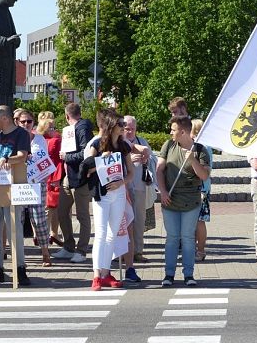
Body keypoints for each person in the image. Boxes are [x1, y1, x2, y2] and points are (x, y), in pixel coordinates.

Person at [157, 115, 210, 287]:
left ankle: (189, 274)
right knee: (172, 238)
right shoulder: (168, 145)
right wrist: (163, 191)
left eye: (173, 130)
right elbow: (159, 170)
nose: (170, 132)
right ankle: (169, 274)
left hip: (191, 202)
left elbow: (204, 175)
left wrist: (193, 159)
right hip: (170, 200)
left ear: (183, 131)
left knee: (187, 238)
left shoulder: (200, 150)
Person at [85, 109, 134, 290]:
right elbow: (86, 169)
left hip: (119, 192)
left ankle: (106, 272)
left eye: (124, 124)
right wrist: (99, 160)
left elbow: (131, 172)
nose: (123, 127)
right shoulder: (97, 144)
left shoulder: (124, 146)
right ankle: (96, 275)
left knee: (112, 234)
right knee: (101, 233)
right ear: (111, 126)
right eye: (120, 124)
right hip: (102, 193)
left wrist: (122, 182)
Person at [0, 105, 31, 286]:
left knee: (15, 229)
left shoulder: (21, 134)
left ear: (5, 118)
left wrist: (6, 159)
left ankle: (19, 267)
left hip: (12, 187)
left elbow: (22, 156)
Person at [52, 103, 94, 263]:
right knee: (62, 212)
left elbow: (86, 152)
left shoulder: (82, 128)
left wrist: (67, 157)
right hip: (68, 177)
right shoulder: (70, 130)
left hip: (80, 178)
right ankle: (69, 247)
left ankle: (81, 251)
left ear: (66, 115)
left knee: (83, 215)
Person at [17, 110, 52, 266]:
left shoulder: (39, 139)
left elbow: (40, 159)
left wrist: (22, 157)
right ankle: (18, 255)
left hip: (36, 182)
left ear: (33, 123)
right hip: (18, 182)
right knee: (17, 219)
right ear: (17, 122)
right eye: (23, 121)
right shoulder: (14, 138)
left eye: (29, 121)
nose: (26, 124)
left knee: (39, 219)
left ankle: (45, 253)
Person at [123, 115, 157, 264]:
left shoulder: (141, 141)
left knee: (139, 220)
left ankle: (138, 252)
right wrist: (130, 159)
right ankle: (123, 253)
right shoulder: (118, 143)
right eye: (127, 129)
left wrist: (146, 159)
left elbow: (153, 159)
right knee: (124, 221)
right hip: (122, 188)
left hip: (139, 186)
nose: (130, 132)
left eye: (132, 129)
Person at [36, 112, 64, 247]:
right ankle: (43, 235)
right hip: (43, 172)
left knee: (52, 206)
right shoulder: (38, 138)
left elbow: (59, 159)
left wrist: (58, 175)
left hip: (52, 173)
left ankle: (52, 234)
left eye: (53, 127)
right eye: (50, 127)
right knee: (46, 206)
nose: (53, 129)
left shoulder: (57, 138)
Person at [191, 119, 212, 262]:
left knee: (198, 221)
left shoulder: (201, 147)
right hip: (202, 186)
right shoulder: (205, 146)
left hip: (201, 188)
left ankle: (200, 251)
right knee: (195, 220)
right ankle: (196, 250)